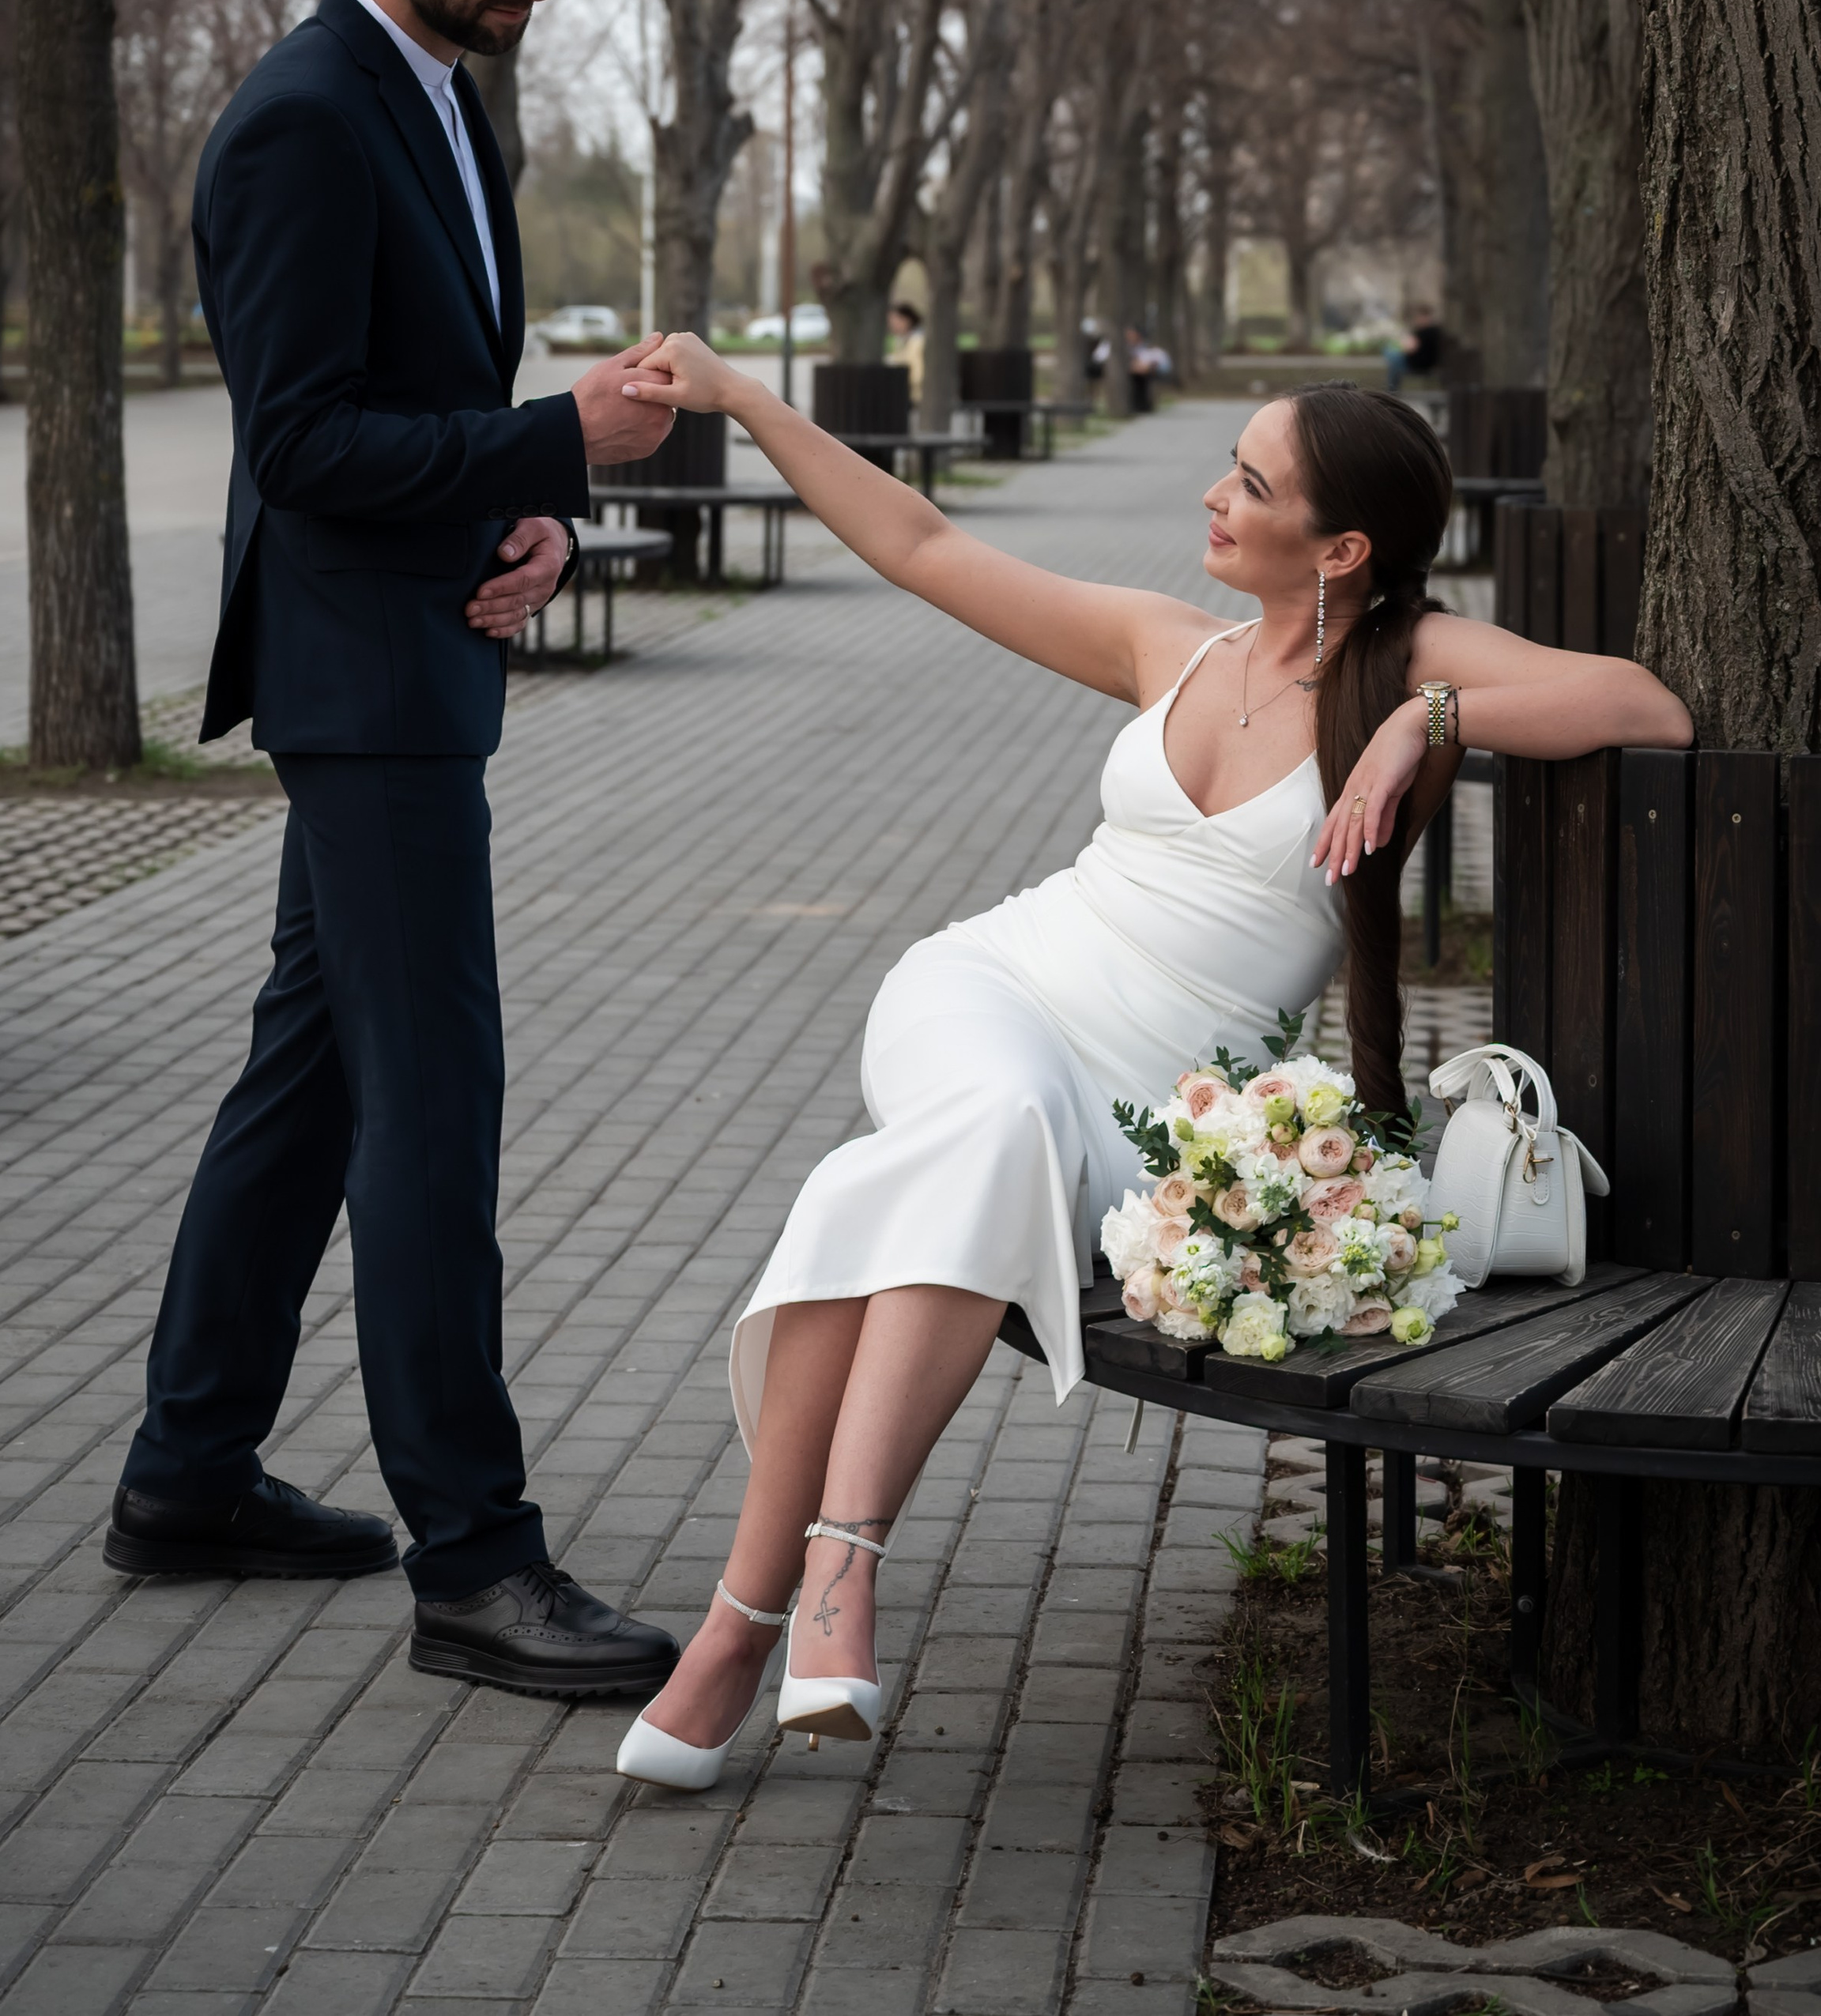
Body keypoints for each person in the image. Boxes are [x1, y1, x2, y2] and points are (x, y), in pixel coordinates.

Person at [605, 349, 1692, 1789]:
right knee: (991, 1112)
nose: (1212, 492)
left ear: (1344, 545)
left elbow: (1643, 706)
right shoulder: (1171, 644)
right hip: (991, 988)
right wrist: (747, 401)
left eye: (1249, 478)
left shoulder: (1414, 662)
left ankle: (742, 1621)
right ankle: (837, 1570)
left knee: (934, 1164)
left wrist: (1429, 725)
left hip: (1152, 1109)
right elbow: (921, 544)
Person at [105, 0, 684, 1705]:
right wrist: (550, 444)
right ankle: (475, 1561)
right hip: (358, 697)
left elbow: (430, 402)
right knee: (431, 1115)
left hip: (414, 653)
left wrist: (530, 512)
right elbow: (298, 445)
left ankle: (189, 1475)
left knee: (317, 1079)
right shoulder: (295, 124)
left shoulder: (444, 100)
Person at [887, 300, 926, 402]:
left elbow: (918, 374)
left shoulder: (918, 342)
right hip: (903, 395)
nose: (892, 325)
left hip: (916, 397)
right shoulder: (900, 342)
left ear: (906, 320)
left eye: (895, 321)